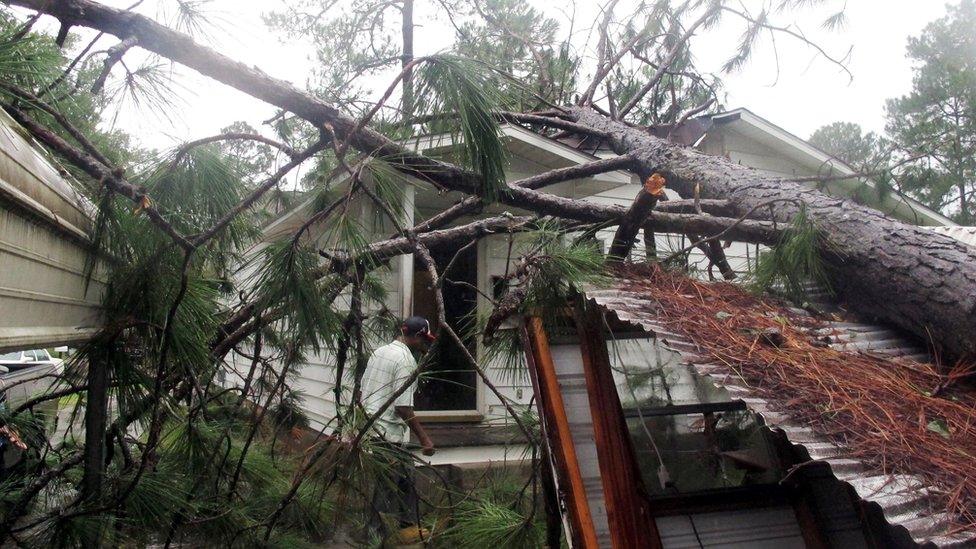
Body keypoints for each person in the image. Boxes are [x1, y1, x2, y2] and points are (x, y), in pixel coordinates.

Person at [360, 315, 436, 544]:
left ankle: (408, 526)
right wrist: (424, 439)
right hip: (387, 434)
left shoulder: (380, 351)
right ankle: (374, 536)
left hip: (372, 427)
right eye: (425, 341)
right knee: (387, 485)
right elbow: (403, 406)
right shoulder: (405, 361)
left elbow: (363, 389)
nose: (427, 345)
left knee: (407, 479)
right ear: (416, 336)